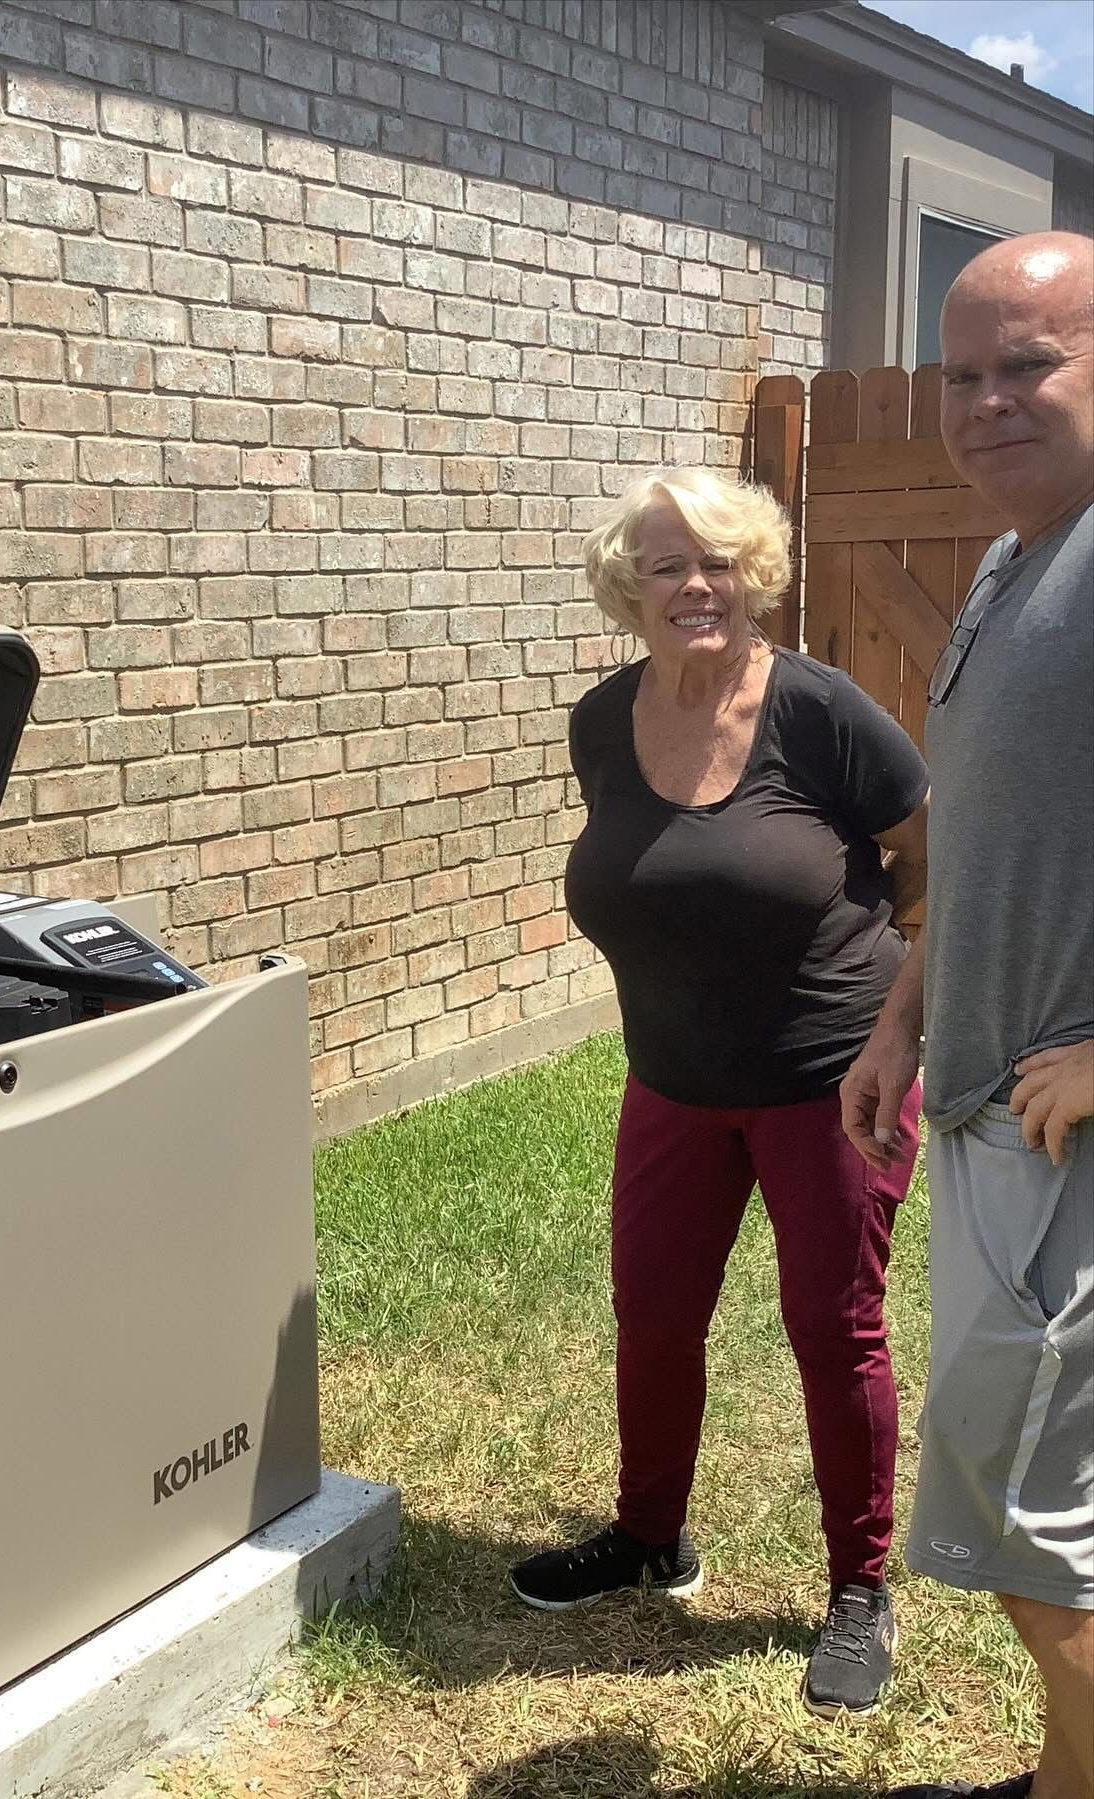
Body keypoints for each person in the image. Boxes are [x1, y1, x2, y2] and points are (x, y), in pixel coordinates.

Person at [510, 466, 930, 1719]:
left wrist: (895, 1025)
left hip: (830, 1077)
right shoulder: (603, 719)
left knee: (832, 1326)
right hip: (672, 1078)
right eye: (665, 564)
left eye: (717, 562)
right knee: (651, 1309)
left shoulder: (821, 711)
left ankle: (860, 1589)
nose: (694, 584)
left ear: (755, 572)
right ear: (626, 587)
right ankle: (649, 1535)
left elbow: (930, 850)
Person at [842, 232, 1093, 1799]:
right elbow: (985, 840)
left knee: (1027, 1530)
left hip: (1065, 1150)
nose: (989, 401)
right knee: (1049, 1517)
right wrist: (900, 1019)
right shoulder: (1012, 562)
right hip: (987, 1113)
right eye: (964, 373)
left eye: (1032, 363)